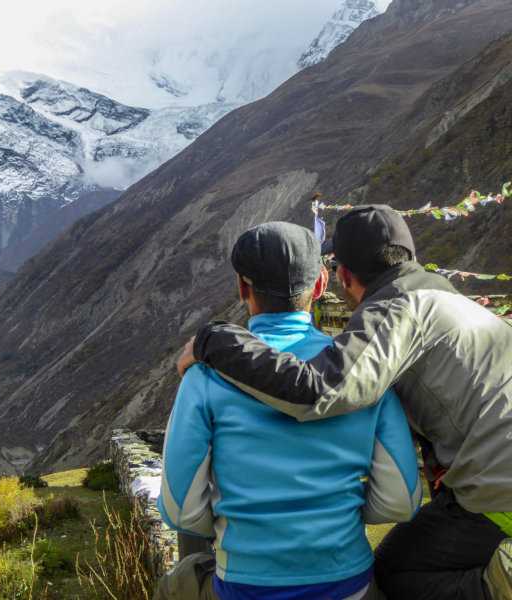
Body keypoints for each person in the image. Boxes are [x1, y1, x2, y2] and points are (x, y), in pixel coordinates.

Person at [179, 205, 512, 599]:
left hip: (496, 491)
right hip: (491, 476)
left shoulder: (397, 310)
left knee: (395, 572)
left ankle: (499, 582)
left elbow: (318, 388)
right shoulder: (447, 301)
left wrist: (213, 340)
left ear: (342, 276)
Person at [156, 222, 421, 600]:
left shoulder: (204, 379)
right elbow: (401, 499)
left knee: (178, 582)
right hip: (348, 584)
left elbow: (180, 509)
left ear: (242, 287)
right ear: (319, 285)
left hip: (244, 585)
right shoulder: (363, 375)